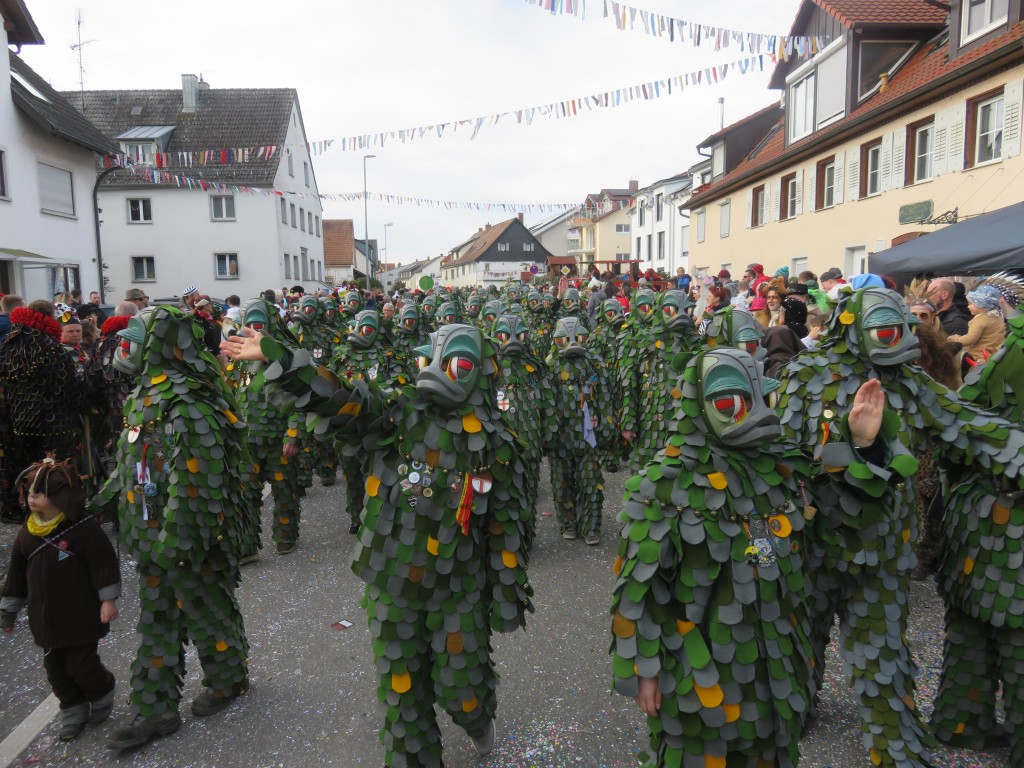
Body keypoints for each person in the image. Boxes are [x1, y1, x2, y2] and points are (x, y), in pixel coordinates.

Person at [220, 323, 532, 768]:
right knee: (403, 696)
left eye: (456, 364)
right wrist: (279, 356)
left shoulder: (498, 447)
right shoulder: (398, 415)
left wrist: (507, 598)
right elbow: (342, 401)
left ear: (480, 373)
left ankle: (478, 719)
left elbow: (505, 529)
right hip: (391, 579)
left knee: (462, 688)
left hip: (459, 587)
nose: (436, 373)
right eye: (428, 361)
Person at [612, 348, 885, 768]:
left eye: (764, 398)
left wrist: (862, 446)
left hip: (776, 662)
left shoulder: (782, 469)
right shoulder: (661, 486)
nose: (756, 414)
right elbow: (641, 588)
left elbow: (834, 519)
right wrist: (646, 667)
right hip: (698, 665)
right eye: (731, 402)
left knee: (771, 751)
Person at [93, 306, 254, 749]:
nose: (125, 343)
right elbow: (130, 462)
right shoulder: (144, 394)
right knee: (158, 620)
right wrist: (96, 505)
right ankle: (155, 711)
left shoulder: (190, 404)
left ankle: (228, 679)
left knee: (207, 610)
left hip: (192, 537)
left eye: (136, 335)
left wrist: (178, 539)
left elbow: (196, 482)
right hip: (151, 535)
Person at [1, 458, 120, 741]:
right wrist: (8, 612)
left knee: (81, 665)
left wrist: (107, 600)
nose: (32, 498)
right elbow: (15, 575)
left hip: (80, 616)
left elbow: (103, 564)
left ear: (60, 498)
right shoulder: (27, 535)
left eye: (40, 494)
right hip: (45, 620)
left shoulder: (81, 529)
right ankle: (73, 712)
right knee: (56, 671)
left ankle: (101, 693)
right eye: (30, 492)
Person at [947, 284, 1006, 360]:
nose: (968, 306)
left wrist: (954, 339)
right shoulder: (996, 317)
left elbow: (970, 339)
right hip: (994, 354)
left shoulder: (980, 320)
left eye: (971, 304)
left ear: (981, 305)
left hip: (979, 356)